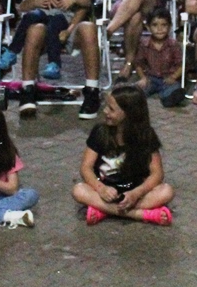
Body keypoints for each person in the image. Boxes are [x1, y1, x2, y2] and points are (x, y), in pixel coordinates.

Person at [71, 83, 175, 225]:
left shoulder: (146, 135)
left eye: (111, 109)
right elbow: (86, 167)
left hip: (134, 194)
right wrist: (100, 189)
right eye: (106, 106)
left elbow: (157, 174)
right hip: (105, 192)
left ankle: (104, 210)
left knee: (166, 191)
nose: (105, 111)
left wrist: (136, 193)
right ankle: (140, 215)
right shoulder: (100, 132)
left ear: (129, 114)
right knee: (79, 190)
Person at [0, 0, 88, 82]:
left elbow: (87, 1)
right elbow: (24, 6)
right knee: (31, 16)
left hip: (62, 17)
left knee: (54, 24)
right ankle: (12, 52)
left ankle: (54, 64)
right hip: (45, 15)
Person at [131, 7, 185, 108]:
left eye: (164, 25)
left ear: (170, 26)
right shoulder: (144, 44)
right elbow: (138, 63)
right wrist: (143, 78)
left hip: (167, 78)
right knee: (137, 89)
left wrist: (173, 77)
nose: (159, 29)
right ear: (148, 27)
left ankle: (168, 98)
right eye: (155, 25)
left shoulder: (173, 45)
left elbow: (182, 65)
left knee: (173, 88)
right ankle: (135, 97)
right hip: (150, 78)